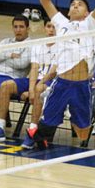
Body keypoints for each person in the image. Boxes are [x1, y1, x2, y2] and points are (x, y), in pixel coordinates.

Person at [24, 0, 95, 150]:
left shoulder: (90, 24)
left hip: (81, 86)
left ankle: (68, 118)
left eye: (80, 4)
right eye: (73, 4)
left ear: (88, 13)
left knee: (83, 132)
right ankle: (36, 134)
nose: (75, 6)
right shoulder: (61, 23)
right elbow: (44, 0)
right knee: (47, 121)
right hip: (62, 83)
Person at [21, 21, 59, 149]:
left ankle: (32, 130)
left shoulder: (63, 46)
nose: (51, 30)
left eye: (54, 27)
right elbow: (34, 68)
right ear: (44, 28)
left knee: (40, 89)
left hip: (53, 82)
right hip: (37, 81)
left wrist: (38, 86)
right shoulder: (38, 45)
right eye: (49, 26)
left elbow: (54, 72)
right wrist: (31, 89)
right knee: (6, 85)